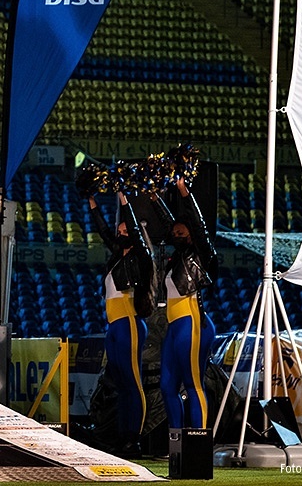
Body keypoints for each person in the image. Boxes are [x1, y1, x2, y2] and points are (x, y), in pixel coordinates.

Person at [89, 191, 154, 457]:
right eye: (120, 230)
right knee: (121, 384)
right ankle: (121, 436)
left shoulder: (141, 257)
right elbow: (104, 231)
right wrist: (92, 203)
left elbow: (135, 232)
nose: (121, 232)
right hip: (114, 326)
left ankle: (133, 438)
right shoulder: (117, 256)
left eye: (126, 229)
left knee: (133, 381)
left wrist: (124, 200)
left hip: (129, 322)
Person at [157, 176, 216, 430]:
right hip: (175, 326)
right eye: (175, 234)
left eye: (181, 233)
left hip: (192, 322)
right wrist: (154, 199)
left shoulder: (201, 253)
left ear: (191, 235)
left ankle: (199, 439)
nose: (176, 235)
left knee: (193, 383)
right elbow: (168, 223)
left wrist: (183, 191)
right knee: (167, 386)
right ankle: (176, 440)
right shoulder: (176, 259)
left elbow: (199, 225)